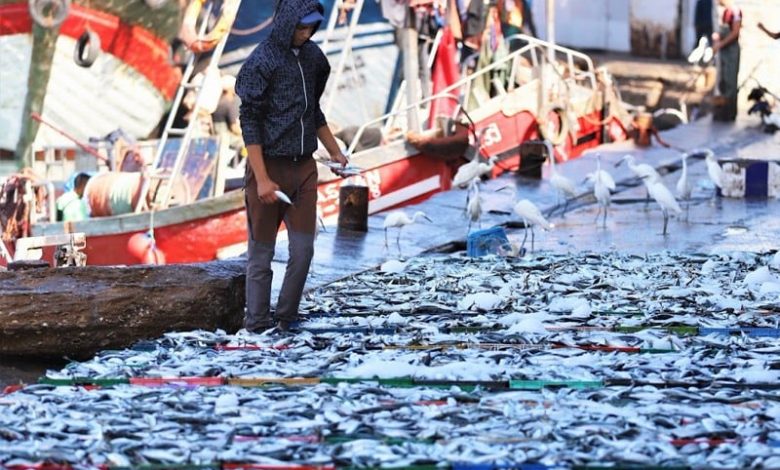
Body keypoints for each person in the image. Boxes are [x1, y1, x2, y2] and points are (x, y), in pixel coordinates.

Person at [236, 0, 348, 333]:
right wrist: (261, 179)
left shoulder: (314, 59)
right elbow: (249, 121)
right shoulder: (262, 60)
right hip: (268, 168)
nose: (306, 32)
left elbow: (314, 111)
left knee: (303, 250)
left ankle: (286, 317)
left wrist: (336, 152)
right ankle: (256, 324)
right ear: (286, 23)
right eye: (301, 26)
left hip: (304, 169)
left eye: (312, 26)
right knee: (261, 255)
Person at [712, 0, 742, 121]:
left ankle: (730, 113)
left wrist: (721, 44)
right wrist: (717, 37)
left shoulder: (735, 11)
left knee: (730, 82)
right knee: (723, 81)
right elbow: (723, 30)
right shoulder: (724, 12)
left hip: (731, 50)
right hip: (724, 50)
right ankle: (722, 112)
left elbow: (735, 32)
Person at [211, 73, 244, 150]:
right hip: (226, 139)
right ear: (229, 88)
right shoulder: (229, 103)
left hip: (217, 136)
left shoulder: (218, 102)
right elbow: (234, 128)